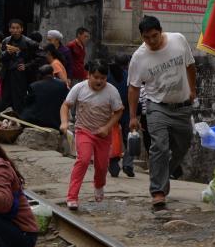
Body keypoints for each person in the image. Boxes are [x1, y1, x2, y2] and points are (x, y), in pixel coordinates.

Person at [127, 16, 196, 210]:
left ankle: (164, 174)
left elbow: (190, 65)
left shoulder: (178, 40)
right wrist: (133, 116)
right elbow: (133, 88)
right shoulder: (139, 57)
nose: (152, 41)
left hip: (182, 106)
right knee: (159, 146)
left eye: (154, 36)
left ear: (161, 31)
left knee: (183, 146)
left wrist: (193, 89)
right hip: (157, 106)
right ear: (142, 37)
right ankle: (157, 191)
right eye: (146, 37)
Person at [60, 60, 123, 211]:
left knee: (102, 166)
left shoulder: (112, 91)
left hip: (103, 134)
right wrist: (64, 122)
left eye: (103, 78)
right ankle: (72, 197)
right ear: (88, 75)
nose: (99, 81)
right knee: (83, 160)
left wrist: (107, 127)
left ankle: (99, 186)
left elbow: (119, 111)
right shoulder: (79, 88)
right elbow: (66, 105)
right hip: (83, 131)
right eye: (96, 77)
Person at [0, 19, 37, 113]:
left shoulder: (30, 42)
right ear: (9, 29)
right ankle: (5, 121)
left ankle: (20, 120)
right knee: (5, 98)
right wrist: (7, 53)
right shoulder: (5, 41)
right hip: (7, 73)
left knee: (19, 98)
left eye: (17, 28)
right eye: (13, 28)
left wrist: (26, 66)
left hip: (20, 75)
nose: (15, 30)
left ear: (22, 29)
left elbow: (39, 58)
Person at [107, 53, 135, 178]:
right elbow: (133, 94)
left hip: (110, 113)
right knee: (130, 138)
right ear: (127, 64)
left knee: (112, 139)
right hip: (126, 112)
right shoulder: (129, 76)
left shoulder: (106, 75)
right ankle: (128, 163)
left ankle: (113, 164)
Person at [21, 65, 68, 130]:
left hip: (39, 121)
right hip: (57, 120)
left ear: (40, 75)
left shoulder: (34, 86)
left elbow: (27, 102)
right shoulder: (62, 85)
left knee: (26, 112)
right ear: (52, 73)